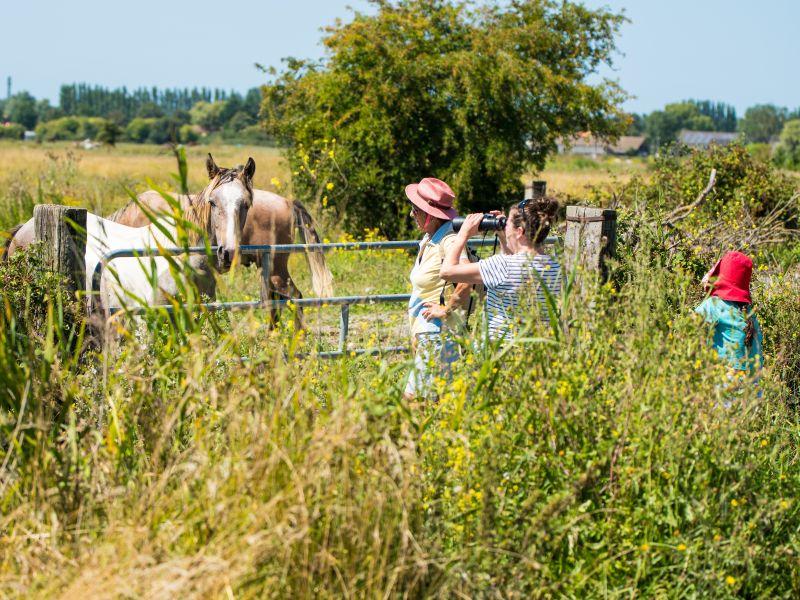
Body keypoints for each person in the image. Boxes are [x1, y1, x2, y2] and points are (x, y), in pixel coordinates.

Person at [440, 197, 561, 343]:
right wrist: (503, 237)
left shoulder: (502, 265)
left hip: (503, 352)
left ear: (519, 231)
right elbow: (515, 268)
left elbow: (446, 271)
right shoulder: (557, 267)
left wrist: (463, 234)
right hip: (540, 354)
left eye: (507, 223)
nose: (505, 227)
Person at [403, 177, 473, 400]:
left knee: (414, 402)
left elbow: (466, 278)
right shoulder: (431, 238)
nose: (411, 214)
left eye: (415, 210)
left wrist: (446, 310)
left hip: (437, 334)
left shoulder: (449, 241)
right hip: (429, 334)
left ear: (430, 215)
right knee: (437, 402)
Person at [695, 251, 763, 379]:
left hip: (726, 386)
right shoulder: (749, 312)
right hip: (754, 389)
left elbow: (689, 327)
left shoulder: (714, 305)